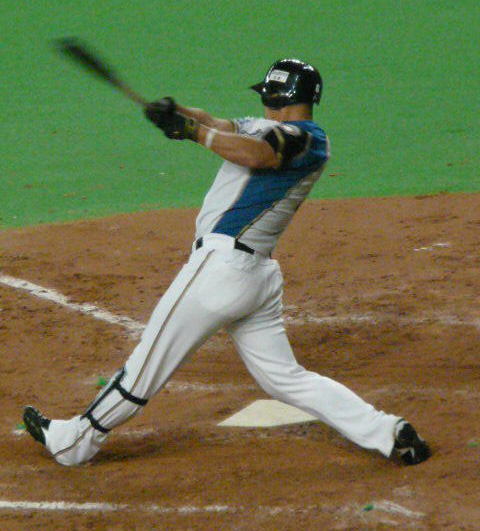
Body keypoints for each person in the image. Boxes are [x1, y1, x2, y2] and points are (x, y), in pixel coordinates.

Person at [23, 59, 430, 466]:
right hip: (252, 279)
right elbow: (218, 123)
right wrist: (176, 113)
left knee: (145, 366)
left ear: (280, 95)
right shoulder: (262, 126)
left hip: (223, 268)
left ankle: (73, 443)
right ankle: (388, 432)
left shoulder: (307, 140)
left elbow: (259, 154)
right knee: (287, 379)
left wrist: (193, 132)